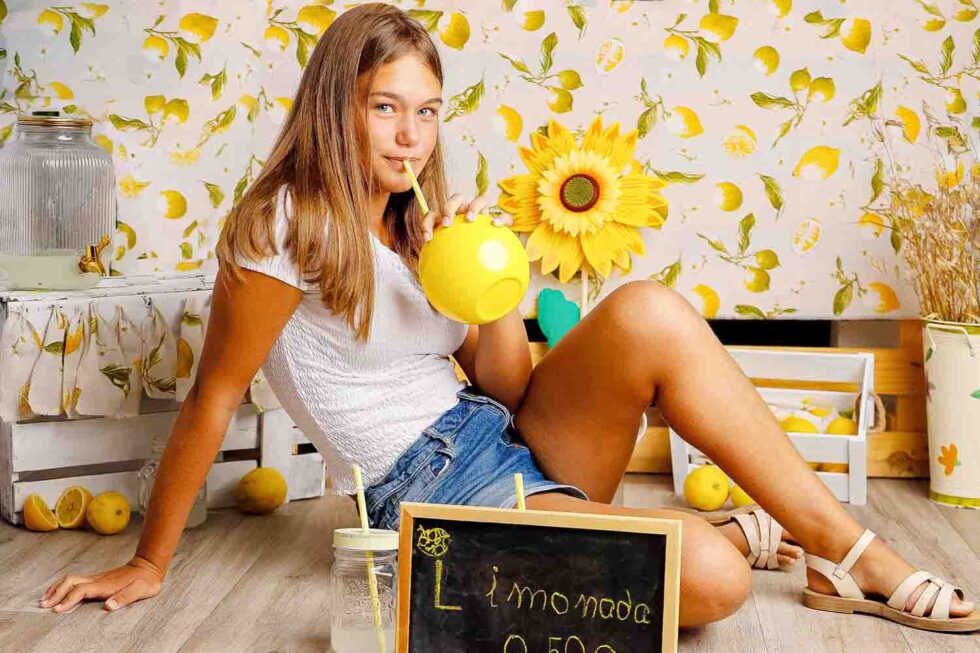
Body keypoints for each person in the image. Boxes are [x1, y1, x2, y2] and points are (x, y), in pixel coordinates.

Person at [39, 3, 976, 633]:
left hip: (498, 435)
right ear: (338, 107)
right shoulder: (285, 224)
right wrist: (152, 560)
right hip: (430, 490)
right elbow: (214, 397)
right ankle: (732, 538)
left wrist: (491, 293)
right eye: (386, 108)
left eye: (429, 112)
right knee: (714, 584)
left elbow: (510, 386)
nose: (412, 135)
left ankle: (850, 553)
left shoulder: (416, 221)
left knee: (647, 308)